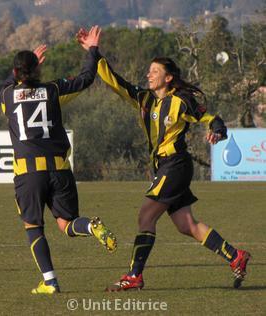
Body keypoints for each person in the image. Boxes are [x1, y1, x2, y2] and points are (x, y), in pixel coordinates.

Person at [77, 29, 251, 291]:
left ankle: (134, 275)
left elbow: (211, 119)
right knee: (186, 224)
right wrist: (94, 52)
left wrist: (218, 131)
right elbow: (115, 81)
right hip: (165, 168)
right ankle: (235, 255)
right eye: (149, 70)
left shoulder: (181, 101)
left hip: (176, 165)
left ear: (168, 78)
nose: (149, 74)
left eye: (155, 71)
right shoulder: (144, 99)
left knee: (146, 215)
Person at [0, 26, 116, 295]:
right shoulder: (53, 90)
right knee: (66, 224)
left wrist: (25, 69)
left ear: (17, 73)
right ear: (38, 72)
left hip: (29, 174)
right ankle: (90, 226)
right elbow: (87, 78)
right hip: (60, 170)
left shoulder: (7, 96)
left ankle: (50, 281)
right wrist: (92, 50)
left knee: (33, 226)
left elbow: (7, 84)